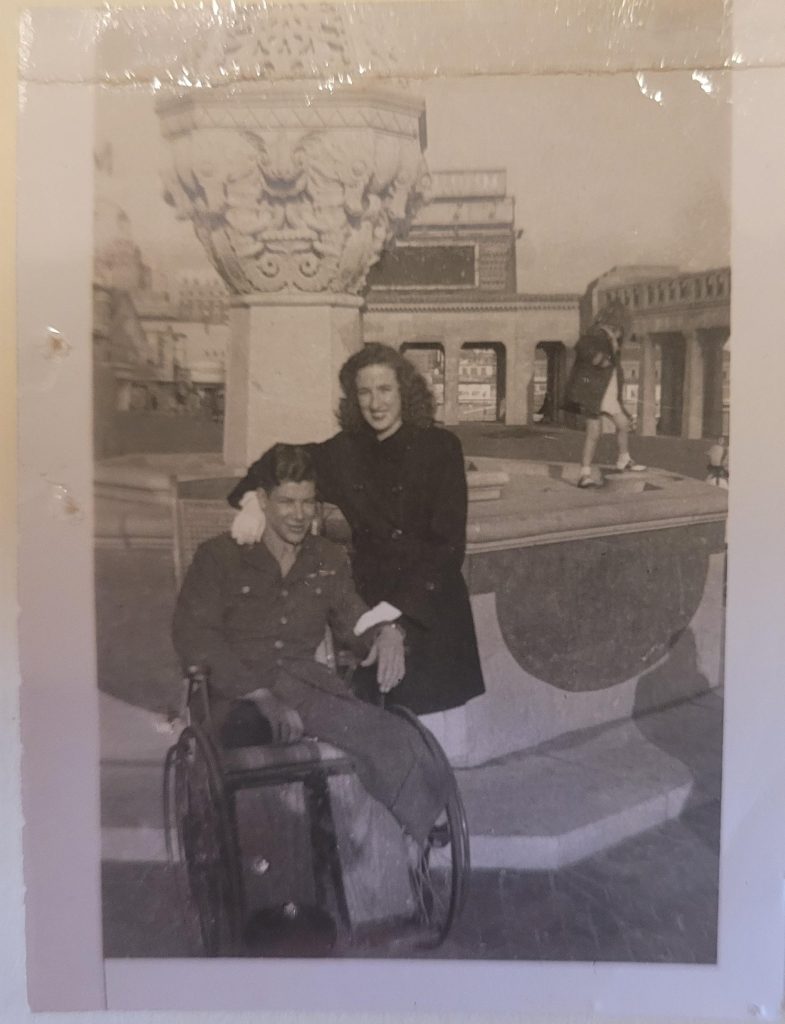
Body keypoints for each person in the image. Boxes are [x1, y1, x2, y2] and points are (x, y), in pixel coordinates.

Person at [172, 443, 449, 847]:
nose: (300, 515)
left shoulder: (327, 557)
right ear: (263, 501)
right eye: (287, 502)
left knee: (394, 735)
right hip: (231, 694)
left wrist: (387, 631)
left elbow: (353, 615)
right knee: (254, 747)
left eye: (308, 503)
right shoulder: (219, 557)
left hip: (307, 691)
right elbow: (194, 634)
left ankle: (387, 848)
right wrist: (260, 695)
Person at [227, 343, 485, 722]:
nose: (375, 403)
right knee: (375, 732)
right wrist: (253, 501)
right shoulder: (343, 452)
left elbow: (446, 548)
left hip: (430, 609)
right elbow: (275, 461)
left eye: (385, 390)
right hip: (367, 605)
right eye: (364, 392)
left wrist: (397, 622)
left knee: (428, 737)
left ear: (404, 392)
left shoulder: (440, 448)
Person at [564, 301, 647, 488]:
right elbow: (593, 358)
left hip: (606, 392)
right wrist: (610, 348)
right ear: (616, 323)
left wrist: (612, 344)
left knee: (623, 424)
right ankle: (584, 474)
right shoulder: (595, 334)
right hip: (594, 393)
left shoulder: (606, 336)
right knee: (594, 432)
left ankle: (623, 459)